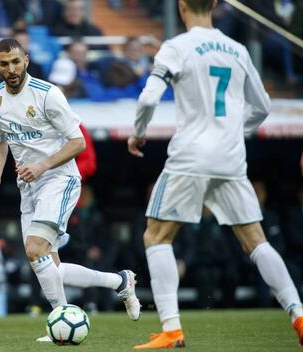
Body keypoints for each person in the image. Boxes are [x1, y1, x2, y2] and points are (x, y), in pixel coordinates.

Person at [127, 0, 303, 349]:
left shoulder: (177, 47)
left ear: (181, 7)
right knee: (257, 241)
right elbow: (264, 106)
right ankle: (299, 315)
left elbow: (148, 99)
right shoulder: (238, 49)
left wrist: (139, 132)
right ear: (215, 5)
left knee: (157, 237)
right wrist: (236, 132)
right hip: (231, 158)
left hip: (190, 156)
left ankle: (172, 329)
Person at [0, 38, 140, 341]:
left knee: (34, 248)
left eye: (16, 61)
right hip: (28, 186)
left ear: (26, 60)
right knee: (47, 263)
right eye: (5, 64)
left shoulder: (48, 94)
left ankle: (60, 320)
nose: (11, 69)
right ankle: (119, 282)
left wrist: (42, 166)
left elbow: (78, 142)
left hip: (59, 179)